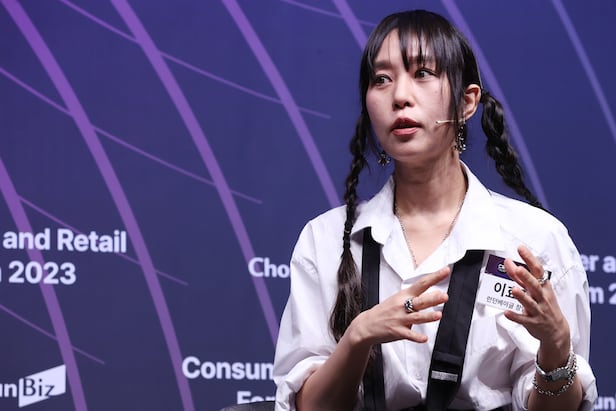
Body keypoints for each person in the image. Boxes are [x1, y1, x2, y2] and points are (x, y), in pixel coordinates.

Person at [272, 9, 597, 411]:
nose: (399, 96)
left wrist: (557, 347)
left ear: (467, 101)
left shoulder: (535, 239)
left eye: (422, 73)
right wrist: (357, 337)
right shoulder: (324, 239)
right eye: (381, 79)